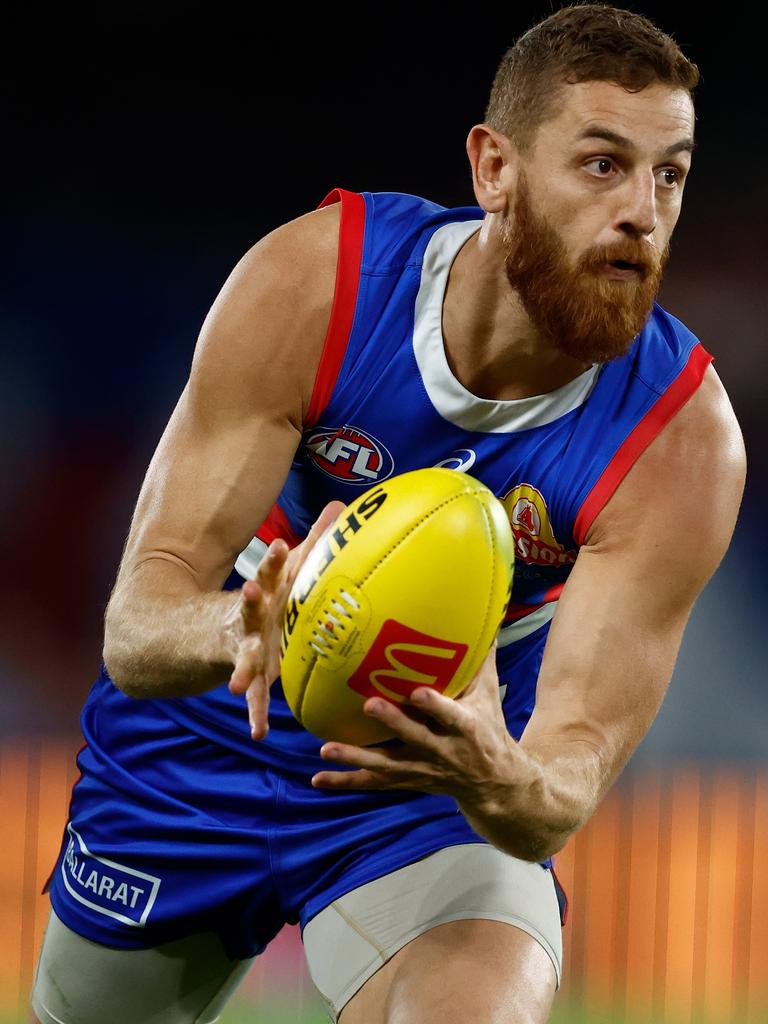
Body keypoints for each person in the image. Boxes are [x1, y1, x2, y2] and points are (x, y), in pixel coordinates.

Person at [31, 5, 745, 1024]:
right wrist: (245, 623)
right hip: (195, 748)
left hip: (426, 783)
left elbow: (565, 775)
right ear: (494, 168)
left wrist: (501, 773)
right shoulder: (317, 283)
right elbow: (136, 626)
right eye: (601, 164)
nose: (642, 211)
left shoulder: (680, 441)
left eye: (668, 174)